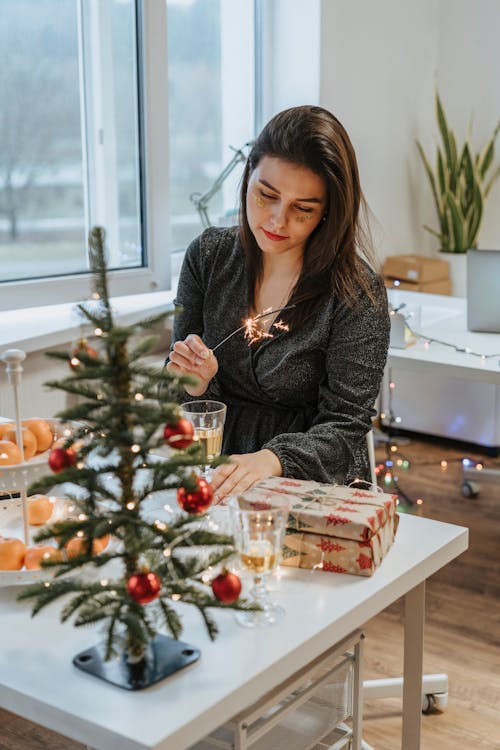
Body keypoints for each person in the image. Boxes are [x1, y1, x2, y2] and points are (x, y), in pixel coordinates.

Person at [167, 105, 390, 501]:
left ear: (328, 213)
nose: (276, 221)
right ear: (248, 177)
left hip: (312, 488)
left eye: (302, 209)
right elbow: (179, 396)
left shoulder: (356, 292)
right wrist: (193, 384)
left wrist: (270, 459)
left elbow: (345, 426)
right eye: (265, 195)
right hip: (213, 474)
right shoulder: (209, 257)